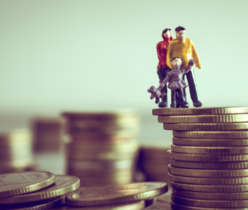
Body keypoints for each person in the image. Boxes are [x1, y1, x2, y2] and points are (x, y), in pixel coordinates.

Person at [166, 26, 202, 107]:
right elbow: (168, 56)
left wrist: (197, 63)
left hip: (189, 67)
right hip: (178, 68)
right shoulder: (172, 44)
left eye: (183, 33)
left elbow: (194, 52)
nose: (181, 35)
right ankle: (183, 101)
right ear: (176, 33)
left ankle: (195, 100)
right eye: (179, 33)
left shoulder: (189, 41)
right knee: (181, 85)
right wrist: (171, 66)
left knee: (192, 83)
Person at [156, 28, 173, 107]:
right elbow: (159, 55)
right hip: (161, 66)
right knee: (162, 83)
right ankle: (164, 100)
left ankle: (175, 101)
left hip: (171, 67)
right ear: (163, 34)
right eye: (165, 33)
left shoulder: (174, 43)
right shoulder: (160, 44)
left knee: (173, 84)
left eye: (168, 32)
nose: (167, 34)